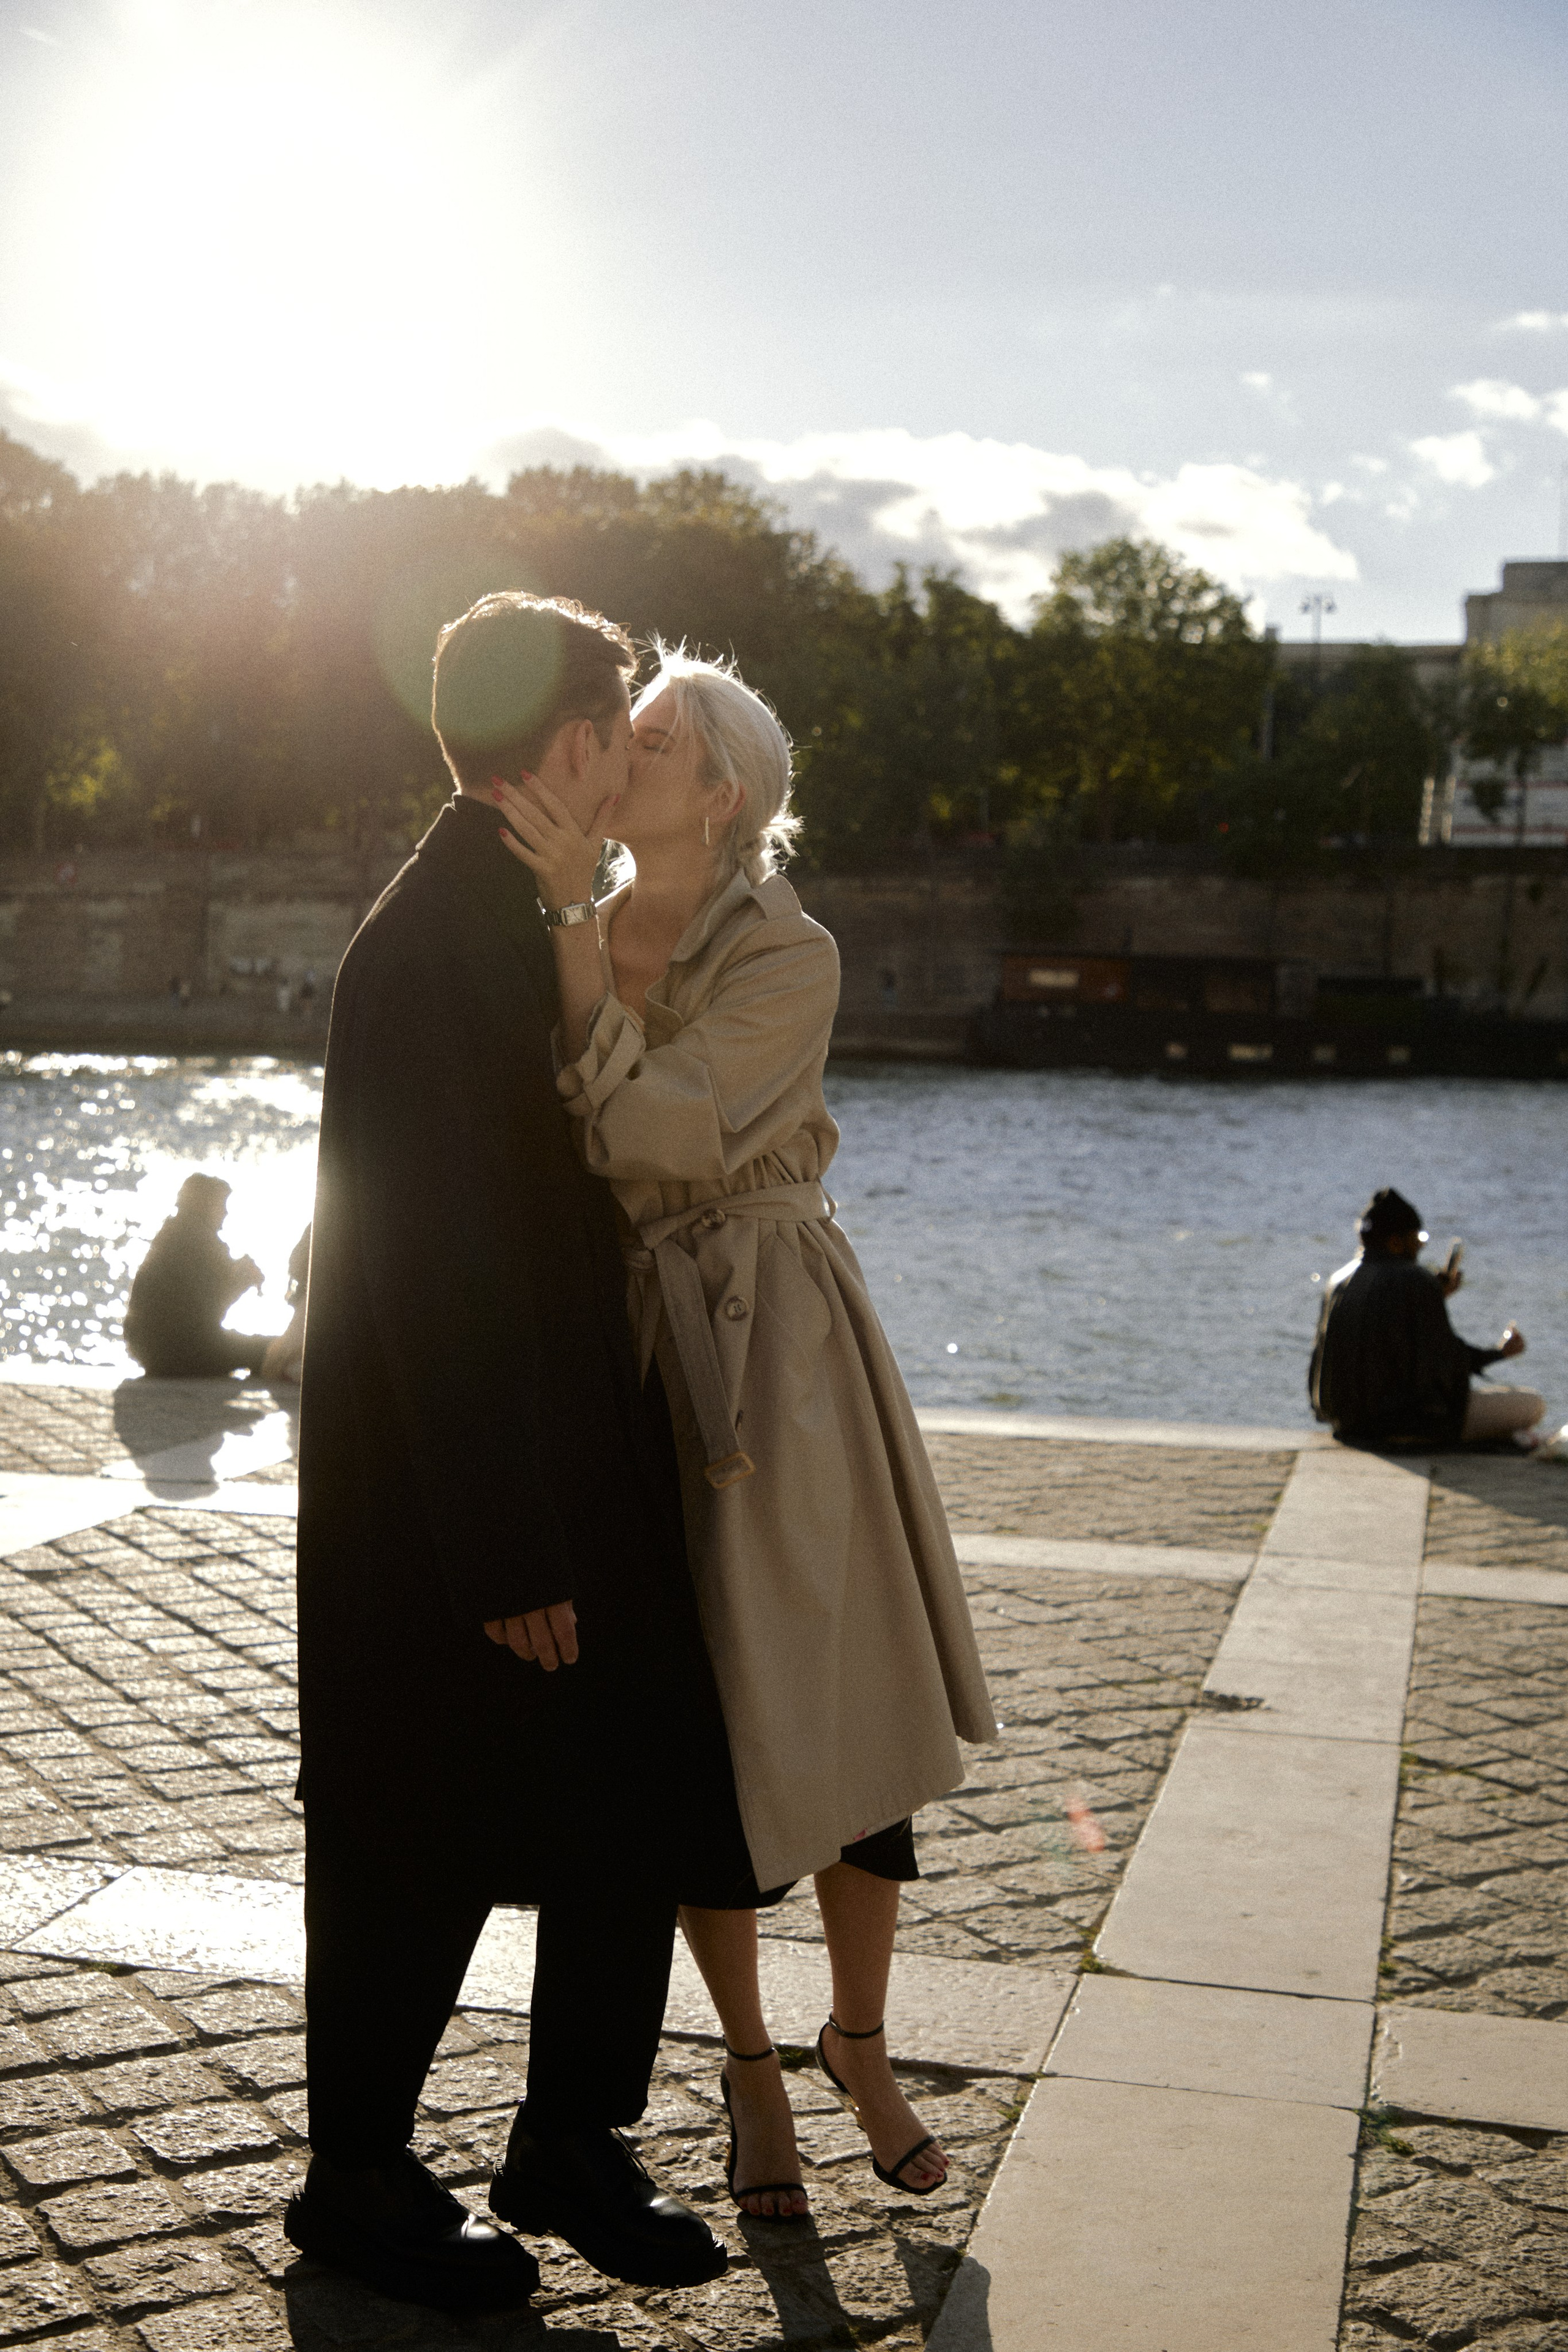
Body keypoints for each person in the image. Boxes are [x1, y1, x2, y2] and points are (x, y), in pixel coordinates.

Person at [494, 650, 997, 2226]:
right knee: (687, 1724)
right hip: (630, 1341)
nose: (611, 750)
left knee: (834, 1704)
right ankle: (754, 2061)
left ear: (715, 787)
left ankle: (862, 2040)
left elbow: (654, 1127)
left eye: (645, 736)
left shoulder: (794, 949)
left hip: (773, 1342)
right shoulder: (555, 919)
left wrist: (576, 960)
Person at [290, 595, 741, 2314]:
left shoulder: (516, 908)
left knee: (617, 1791)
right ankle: (358, 2179)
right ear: (561, 750)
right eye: (622, 727)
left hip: (549, 1460)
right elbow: (426, 1254)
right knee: (419, 1832)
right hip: (463, 1501)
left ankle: (570, 2137)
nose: (633, 751)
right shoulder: (436, 941)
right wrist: (505, 1546)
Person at [1310, 1186, 1544, 1449]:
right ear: (1395, 1242)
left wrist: (1435, 1298)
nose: (1421, 1245)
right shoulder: (1415, 1280)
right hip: (1400, 1426)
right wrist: (1499, 1353)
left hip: (1346, 1422)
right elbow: (1447, 1359)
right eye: (1417, 1238)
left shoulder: (1337, 1281)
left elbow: (1383, 1335)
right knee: (1532, 1405)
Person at [123, 1174, 273, 1378]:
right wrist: (243, 1282)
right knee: (269, 1349)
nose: (226, 1212)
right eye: (221, 1205)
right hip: (183, 1352)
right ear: (205, 1206)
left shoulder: (169, 1235)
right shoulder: (206, 1245)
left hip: (146, 1351)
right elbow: (211, 1315)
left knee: (249, 1345)